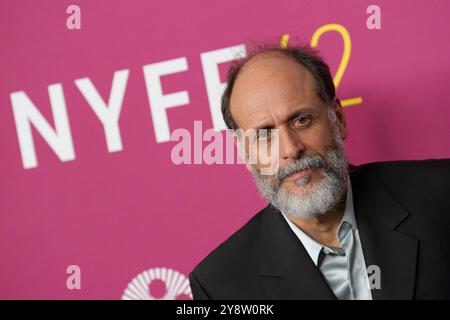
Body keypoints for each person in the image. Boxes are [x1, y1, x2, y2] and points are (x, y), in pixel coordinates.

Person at [189, 43, 450, 300]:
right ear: (245, 152)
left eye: (301, 120)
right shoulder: (219, 285)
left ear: (338, 117)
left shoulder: (441, 194)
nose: (291, 149)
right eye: (264, 134)